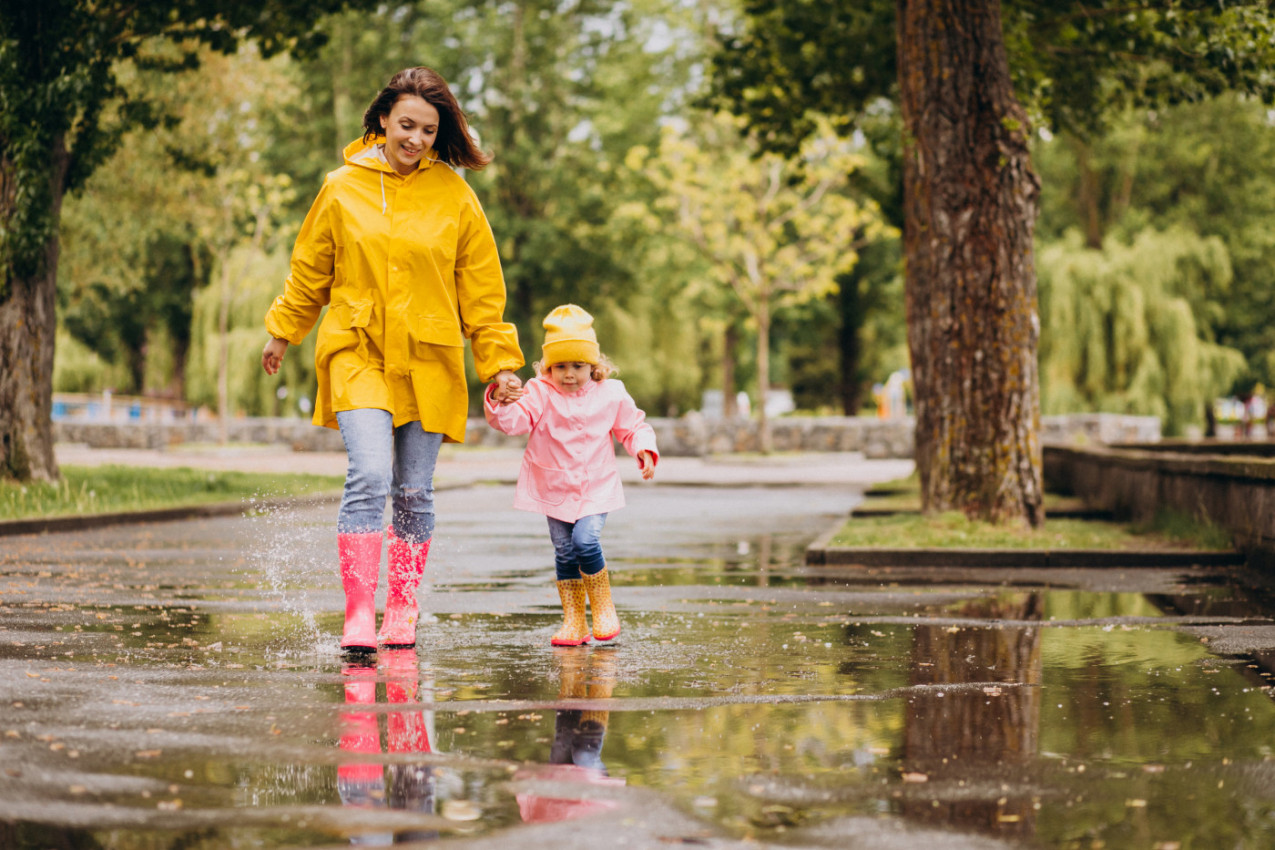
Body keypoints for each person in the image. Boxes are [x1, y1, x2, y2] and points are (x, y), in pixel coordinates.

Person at [261, 67, 524, 655]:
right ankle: (359, 615)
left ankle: (401, 607)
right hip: (357, 349)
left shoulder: (455, 194)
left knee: (413, 491)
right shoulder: (340, 187)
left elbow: (480, 287)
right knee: (371, 474)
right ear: (382, 119)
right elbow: (311, 268)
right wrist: (283, 330)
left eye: (429, 130)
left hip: (429, 357)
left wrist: (500, 362)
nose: (417, 139)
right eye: (407, 125)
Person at [484, 305, 657, 645]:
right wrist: (499, 401)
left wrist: (643, 448)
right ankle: (575, 621)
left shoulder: (611, 393)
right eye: (560, 366)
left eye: (577, 366)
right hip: (554, 486)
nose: (568, 374)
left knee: (585, 541)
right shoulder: (539, 392)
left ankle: (603, 605)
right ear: (547, 367)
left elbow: (632, 425)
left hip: (596, 486)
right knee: (564, 552)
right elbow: (513, 422)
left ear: (593, 365)